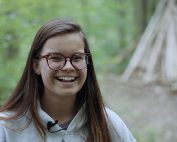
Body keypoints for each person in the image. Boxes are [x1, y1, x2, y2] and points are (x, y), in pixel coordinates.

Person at [0, 18, 136, 142]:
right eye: (55, 58)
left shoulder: (109, 123)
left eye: (77, 57)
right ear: (36, 65)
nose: (68, 67)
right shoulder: (6, 127)